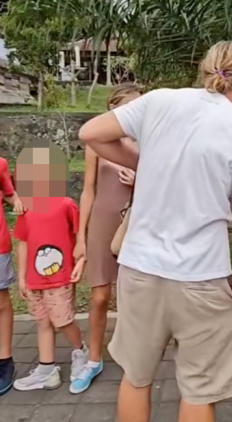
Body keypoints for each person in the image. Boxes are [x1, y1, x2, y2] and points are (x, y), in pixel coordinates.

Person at [79, 40, 232, 422]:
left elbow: (92, 131)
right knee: (199, 393)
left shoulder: (160, 101)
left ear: (203, 70)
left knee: (136, 376)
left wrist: (141, 160)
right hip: (204, 280)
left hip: (141, 270)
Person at [73, 83, 141, 395]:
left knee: (133, 295)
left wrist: (140, 179)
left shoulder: (146, 144)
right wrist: (80, 237)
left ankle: (135, 356)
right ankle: (94, 358)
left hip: (135, 221)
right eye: (129, 107)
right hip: (102, 221)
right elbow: (88, 190)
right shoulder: (96, 141)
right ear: (114, 107)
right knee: (100, 296)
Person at [10, 145, 86, 393]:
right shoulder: (26, 209)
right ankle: (47, 368)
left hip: (61, 277)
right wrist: (22, 277)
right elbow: (23, 243)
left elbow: (80, 237)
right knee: (42, 322)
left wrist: (81, 262)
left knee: (63, 320)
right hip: (34, 280)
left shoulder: (67, 205)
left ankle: (80, 352)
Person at [0, 154, 24, 396]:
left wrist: (18, 202)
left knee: (1, 301)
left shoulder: (1, 164)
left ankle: (5, 359)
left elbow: (9, 193)